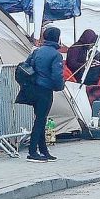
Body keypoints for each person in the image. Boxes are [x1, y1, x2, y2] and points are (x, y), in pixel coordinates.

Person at [22, 26, 65, 162]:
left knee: (40, 118)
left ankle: (43, 150)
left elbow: (26, 65)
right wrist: (60, 86)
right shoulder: (55, 55)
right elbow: (57, 75)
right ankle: (32, 151)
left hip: (34, 88)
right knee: (41, 120)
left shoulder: (37, 51)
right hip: (45, 90)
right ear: (57, 38)